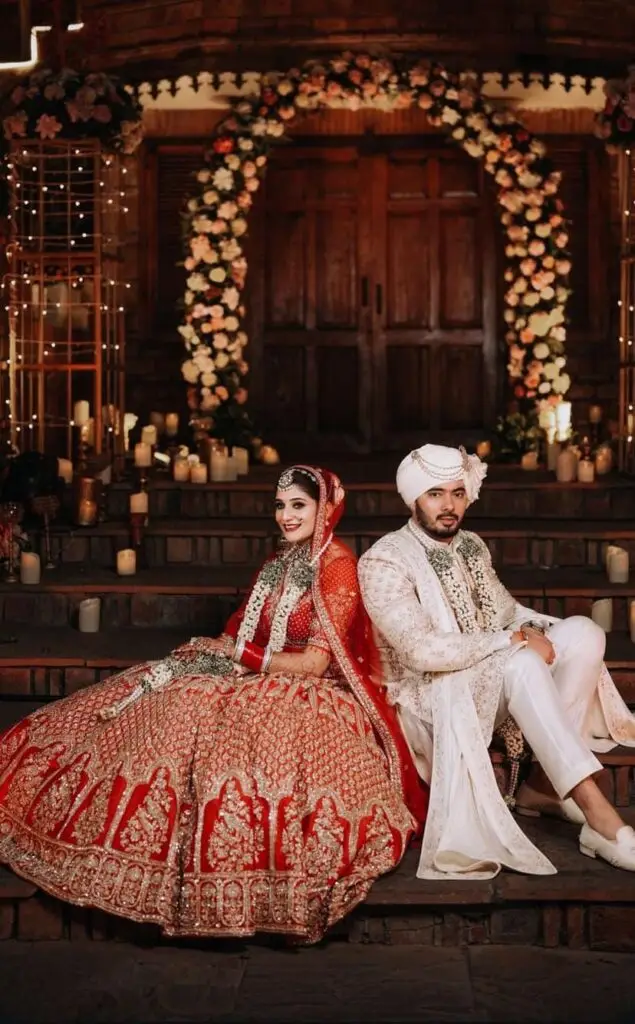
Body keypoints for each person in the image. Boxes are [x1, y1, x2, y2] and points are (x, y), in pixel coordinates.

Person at [0, 466, 426, 942]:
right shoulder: (279, 561)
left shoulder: (337, 565)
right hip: (255, 671)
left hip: (310, 690)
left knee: (235, 734)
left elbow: (311, 662)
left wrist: (240, 656)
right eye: (280, 506)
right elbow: (244, 629)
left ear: (325, 508)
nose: (286, 516)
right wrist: (222, 655)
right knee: (172, 696)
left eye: (298, 506)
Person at [358, 443, 635, 881]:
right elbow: (420, 649)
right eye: (435, 494)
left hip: (488, 677)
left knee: (584, 633)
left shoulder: (471, 546)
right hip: (431, 700)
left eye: (457, 493)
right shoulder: (384, 560)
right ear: (413, 499)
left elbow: (505, 612)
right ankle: (598, 816)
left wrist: (546, 629)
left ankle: (542, 787)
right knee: (522, 662)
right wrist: (514, 640)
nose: (449, 506)